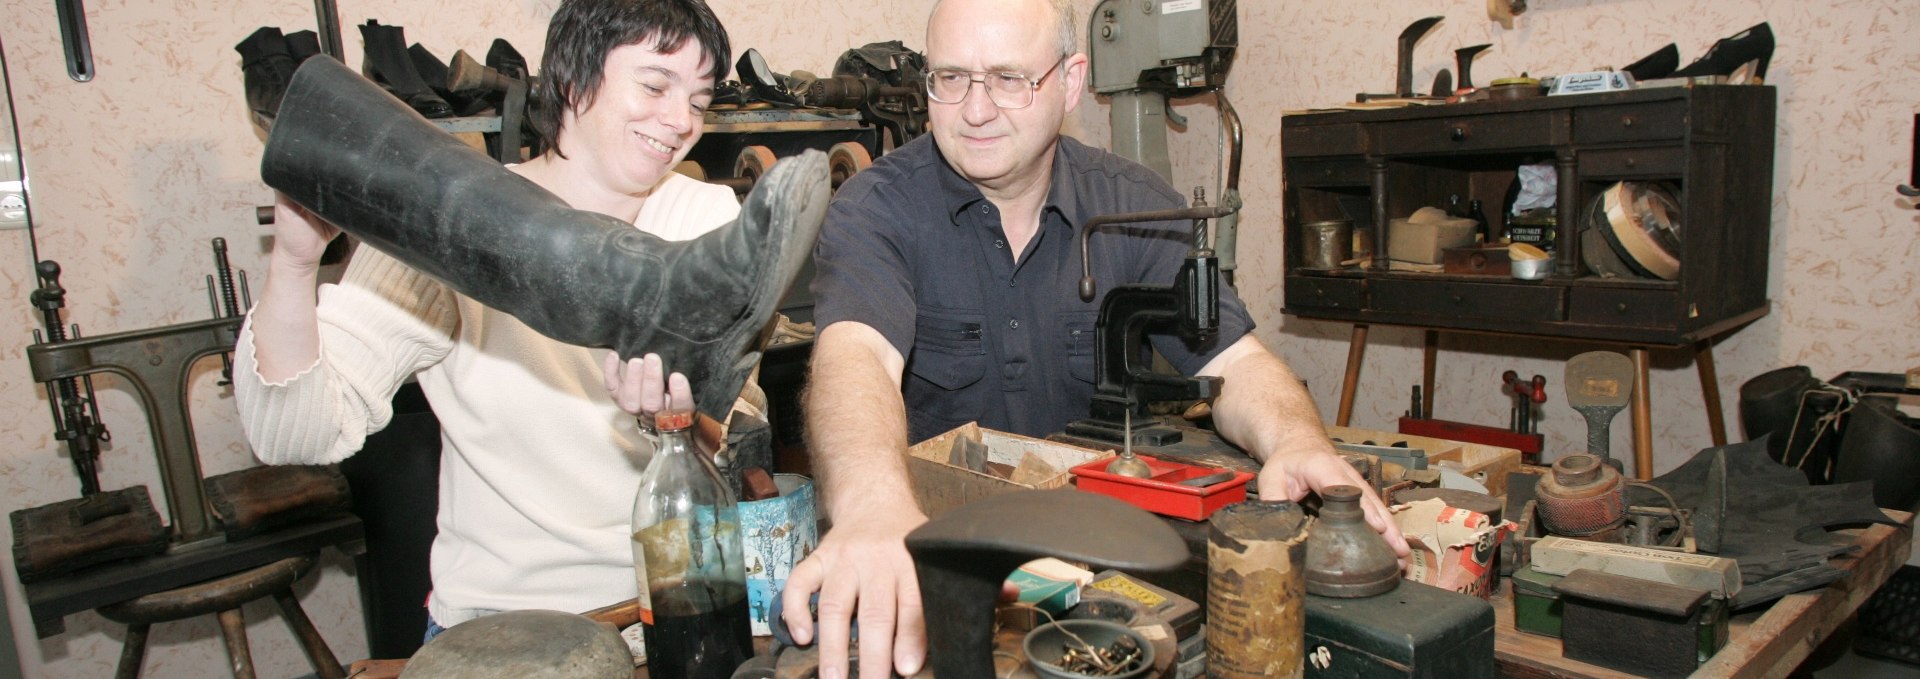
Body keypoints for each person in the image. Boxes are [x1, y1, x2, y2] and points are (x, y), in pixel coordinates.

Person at [783, 0, 1410, 677]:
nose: (975, 109)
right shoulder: (877, 209)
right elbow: (853, 358)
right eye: (951, 78)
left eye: (1007, 78)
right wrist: (874, 505)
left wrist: (1297, 441)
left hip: (1111, 589)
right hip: (944, 581)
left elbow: (1236, 362)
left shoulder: (1132, 204)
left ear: (1071, 80)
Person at [234, 0, 738, 638]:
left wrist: (671, 421)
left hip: (677, 603)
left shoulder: (704, 220)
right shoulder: (446, 224)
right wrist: (295, 264)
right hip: (506, 628)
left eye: (698, 100)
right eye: (655, 84)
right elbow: (293, 438)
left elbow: (732, 433)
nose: (679, 120)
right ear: (574, 79)